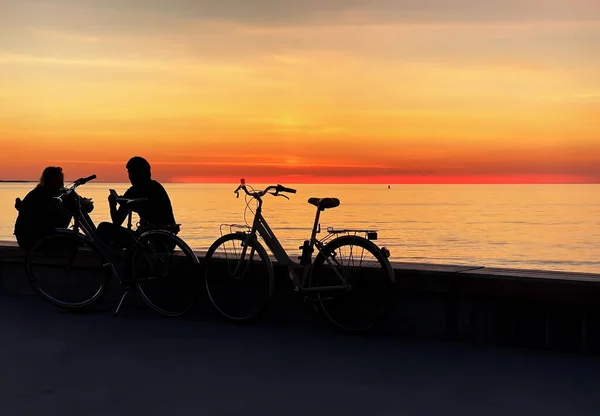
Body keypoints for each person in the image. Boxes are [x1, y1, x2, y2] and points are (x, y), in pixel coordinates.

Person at [97, 156, 177, 250]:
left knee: (103, 228)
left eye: (131, 172)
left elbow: (117, 221)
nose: (130, 176)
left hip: (151, 241)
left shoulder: (136, 191)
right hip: (169, 241)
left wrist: (113, 205)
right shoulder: (156, 187)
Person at [13, 166, 72, 250]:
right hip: (31, 239)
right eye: (57, 181)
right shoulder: (39, 194)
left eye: (61, 181)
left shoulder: (55, 193)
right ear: (49, 181)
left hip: (38, 235)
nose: (60, 185)